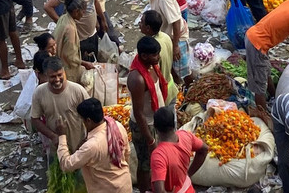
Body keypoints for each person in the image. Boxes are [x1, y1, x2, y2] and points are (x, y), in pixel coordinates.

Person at [30, 57, 88, 191]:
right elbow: (35, 119)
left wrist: (86, 140)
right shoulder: (39, 93)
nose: (57, 80)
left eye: (59, 75)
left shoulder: (78, 91)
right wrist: (53, 136)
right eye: (52, 77)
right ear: (45, 75)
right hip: (56, 149)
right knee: (59, 184)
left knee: (81, 184)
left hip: (79, 147)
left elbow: (91, 117)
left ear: (64, 72)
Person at [56, 97, 131, 193]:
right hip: (124, 184)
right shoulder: (117, 126)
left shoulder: (92, 146)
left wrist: (62, 136)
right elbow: (127, 153)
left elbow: (66, 165)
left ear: (88, 121)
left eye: (82, 120)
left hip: (106, 189)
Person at [127, 36, 170, 193]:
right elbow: (139, 113)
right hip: (145, 125)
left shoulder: (151, 67)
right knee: (145, 163)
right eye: (155, 54)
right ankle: (143, 190)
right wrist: (150, 139)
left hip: (155, 120)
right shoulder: (137, 78)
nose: (158, 57)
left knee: (156, 160)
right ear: (144, 56)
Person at [135, 0, 187, 81]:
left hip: (176, 37)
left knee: (183, 70)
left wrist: (176, 46)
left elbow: (176, 21)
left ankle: (190, 88)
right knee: (171, 67)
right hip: (167, 35)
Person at [150, 106, 207, 193]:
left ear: (155, 128)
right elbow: (204, 149)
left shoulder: (159, 155)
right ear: (174, 124)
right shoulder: (186, 136)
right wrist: (188, 174)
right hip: (188, 189)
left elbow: (160, 190)